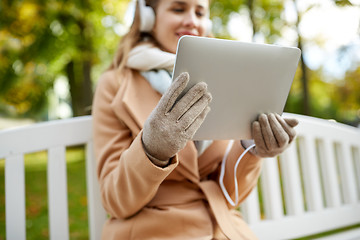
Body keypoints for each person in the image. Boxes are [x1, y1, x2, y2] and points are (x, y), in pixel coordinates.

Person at [92, 0, 299, 239]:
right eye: (178, 9)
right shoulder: (115, 84)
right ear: (148, 17)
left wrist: (251, 149)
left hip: (223, 228)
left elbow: (230, 195)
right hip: (153, 231)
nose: (192, 20)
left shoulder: (226, 76)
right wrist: (152, 149)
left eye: (200, 12)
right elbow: (115, 202)